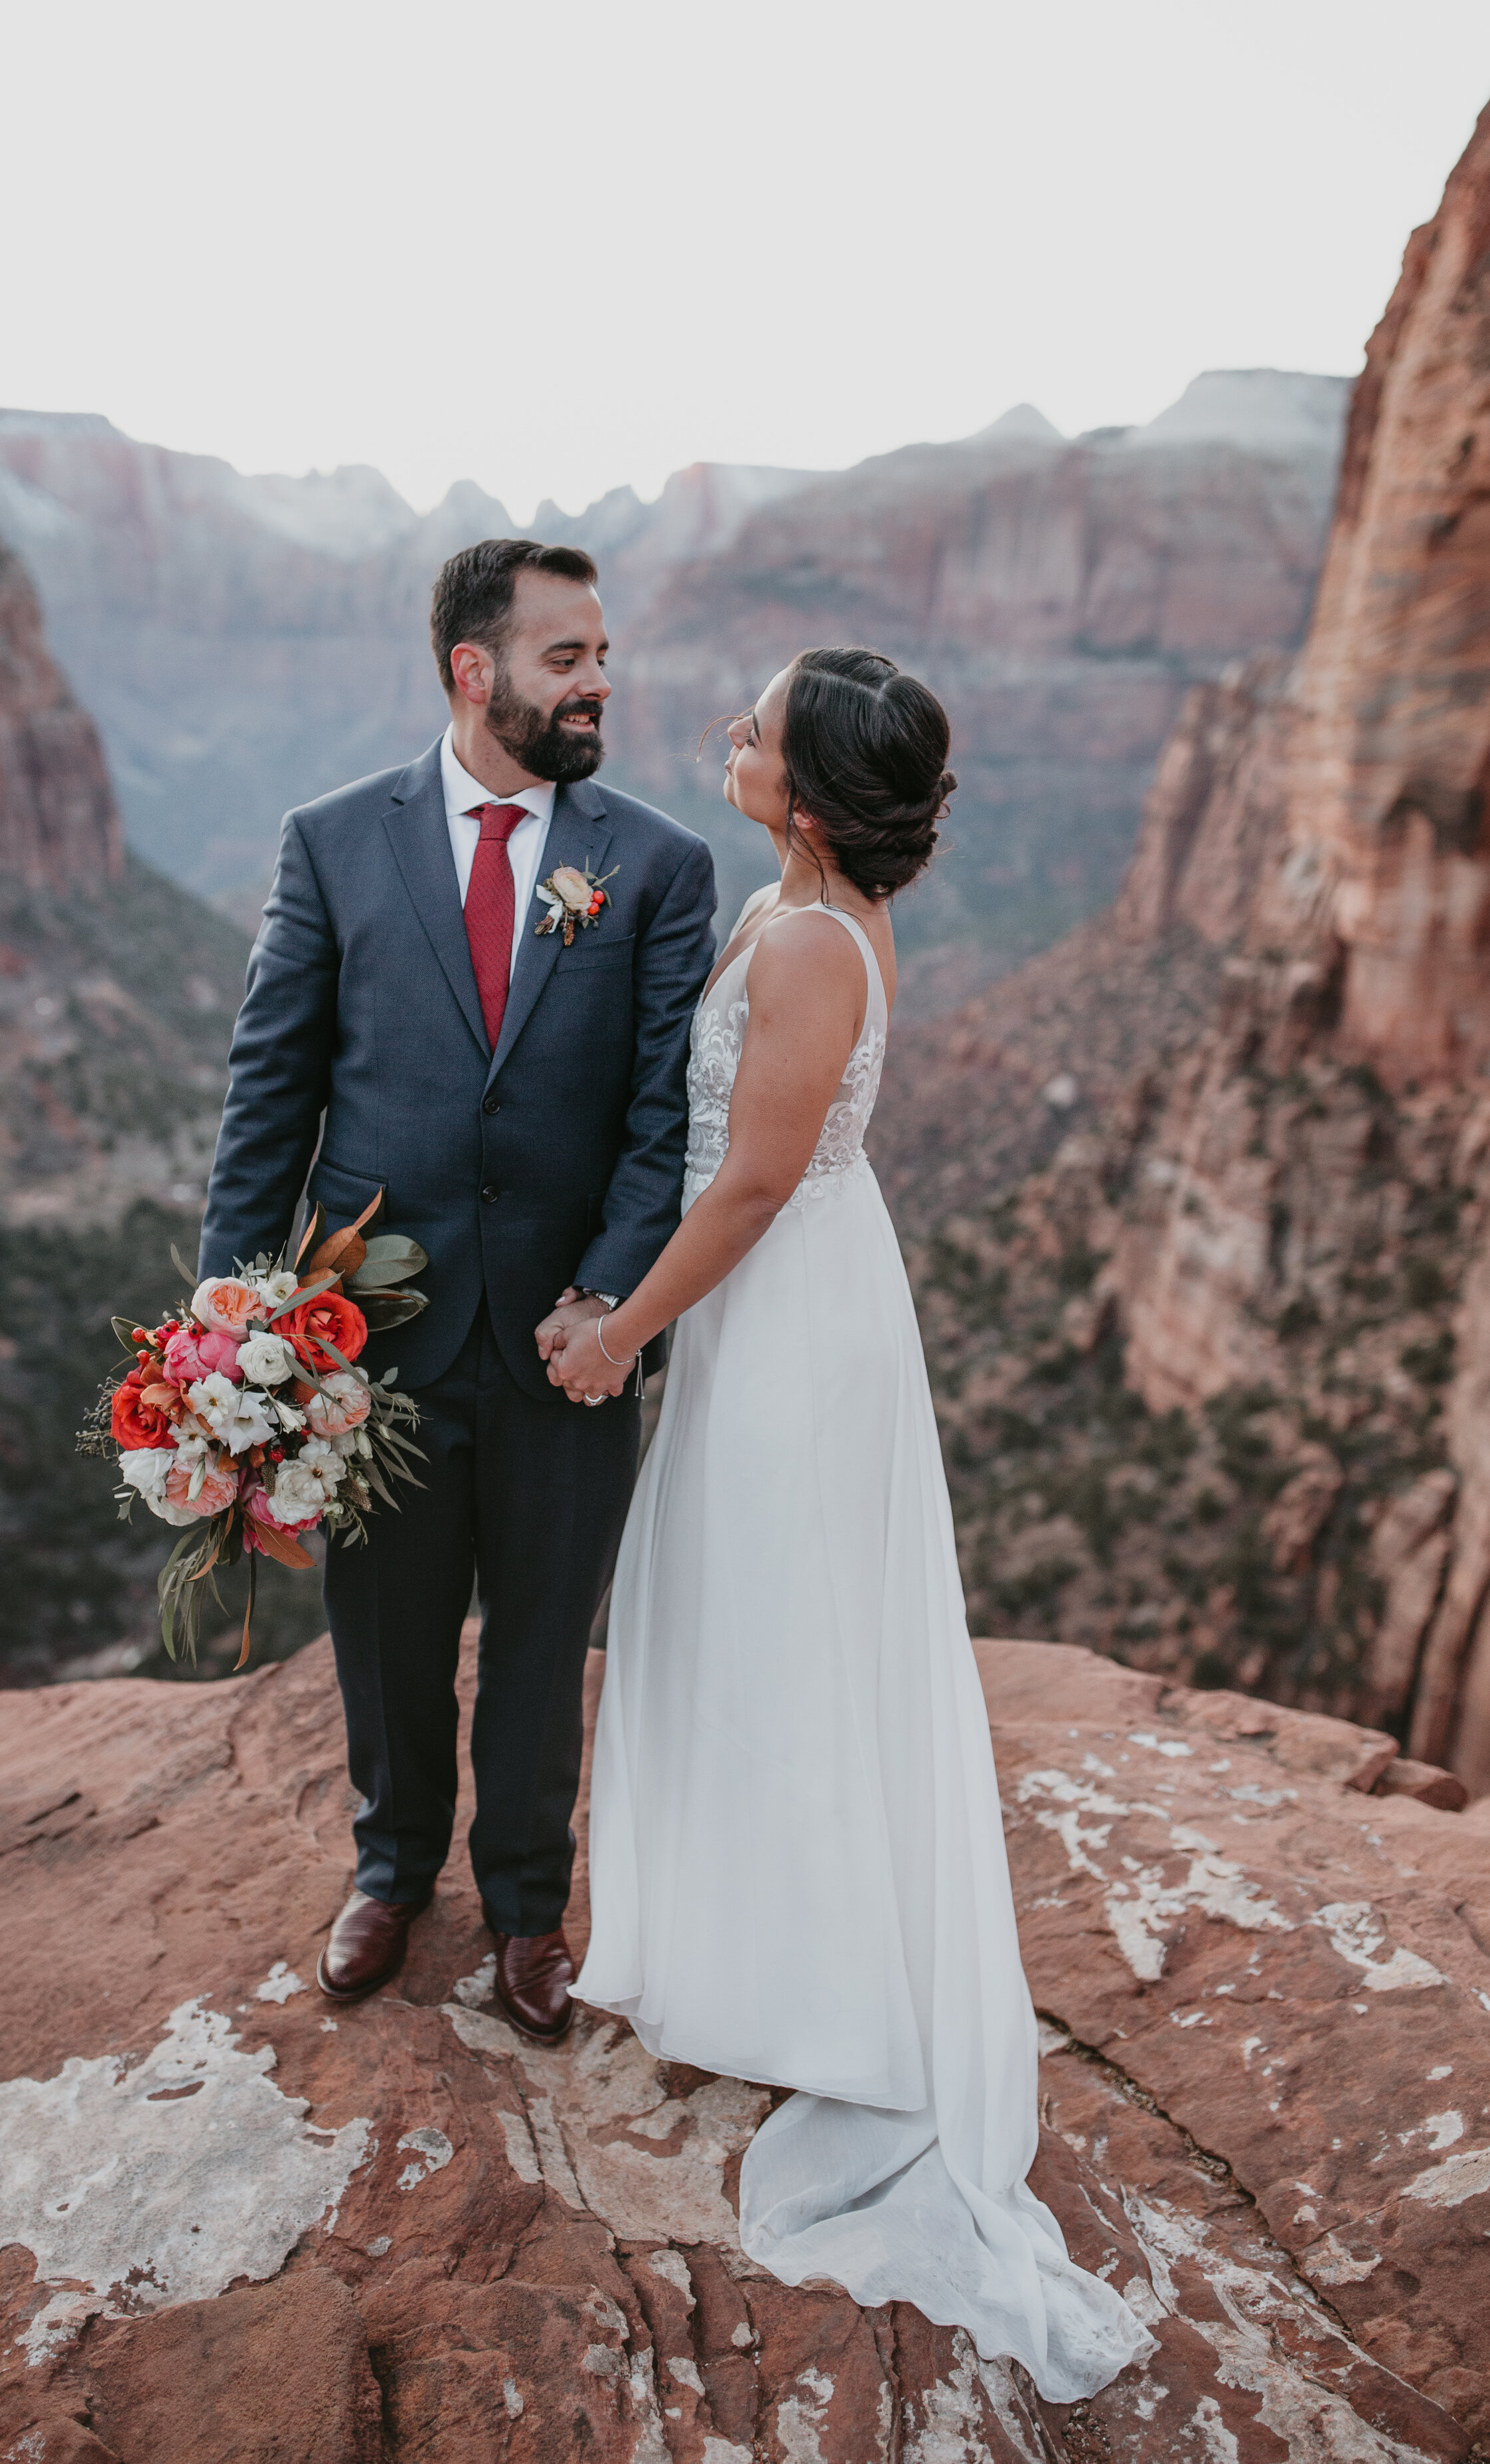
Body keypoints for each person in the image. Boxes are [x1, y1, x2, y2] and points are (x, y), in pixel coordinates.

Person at [542, 649, 1154, 2400]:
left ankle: (810, 1990)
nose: (723, 736)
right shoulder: (799, 899)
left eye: (753, 728)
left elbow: (748, 1177)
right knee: (748, 1621)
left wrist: (618, 1330)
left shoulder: (811, 938)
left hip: (787, 1319)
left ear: (806, 799)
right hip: (787, 1298)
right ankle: (754, 1941)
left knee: (776, 1630)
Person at [197, 538, 716, 2041]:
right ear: (471, 672)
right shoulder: (331, 841)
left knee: (545, 1643)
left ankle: (528, 1912)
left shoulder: (655, 863)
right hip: (371, 1339)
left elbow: (660, 1122)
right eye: (567, 658)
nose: (598, 682)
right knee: (388, 1631)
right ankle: (390, 1868)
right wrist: (237, 1330)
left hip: (570, 1346)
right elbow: (270, 1092)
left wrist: (609, 1302)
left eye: (601, 654)